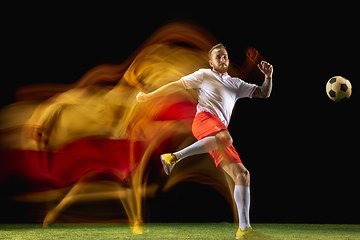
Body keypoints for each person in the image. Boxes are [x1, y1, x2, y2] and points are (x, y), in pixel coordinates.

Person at [136, 43, 273, 239]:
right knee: (225, 137)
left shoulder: (236, 83)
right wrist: (150, 96)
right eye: (218, 57)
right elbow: (176, 85)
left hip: (219, 133)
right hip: (204, 121)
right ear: (211, 63)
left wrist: (268, 77)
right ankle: (175, 157)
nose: (223, 59)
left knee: (242, 175)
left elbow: (264, 93)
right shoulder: (203, 75)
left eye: (225, 56)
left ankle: (244, 230)